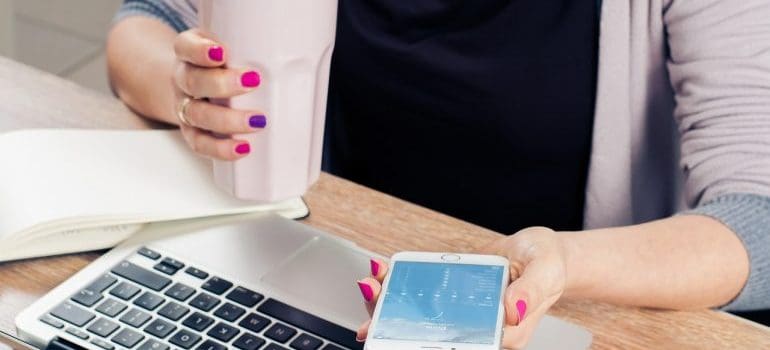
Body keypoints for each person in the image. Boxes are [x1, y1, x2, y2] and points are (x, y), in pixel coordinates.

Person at [107, 0, 770, 347]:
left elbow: (758, 216)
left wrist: (562, 263)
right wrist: (191, 88)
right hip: (317, 281)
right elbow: (148, 22)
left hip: (568, 317)